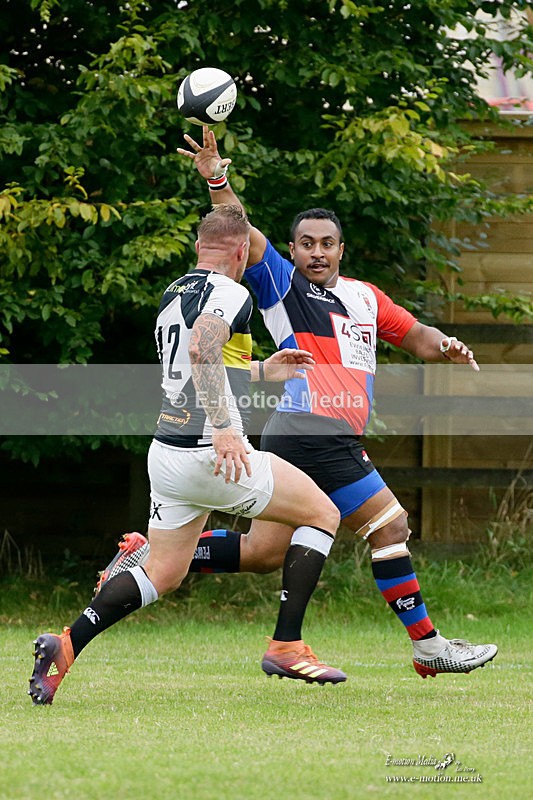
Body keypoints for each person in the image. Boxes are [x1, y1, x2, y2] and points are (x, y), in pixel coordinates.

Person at [98, 128, 498, 679]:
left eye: (326, 243)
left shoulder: (364, 297)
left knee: (263, 553)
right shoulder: (283, 285)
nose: (316, 252)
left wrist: (446, 346)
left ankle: (150, 556)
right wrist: (217, 177)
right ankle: (428, 648)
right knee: (390, 526)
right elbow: (237, 231)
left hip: (311, 435)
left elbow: (417, 335)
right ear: (292, 251)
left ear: (340, 249)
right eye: (305, 243)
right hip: (313, 428)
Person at [28, 204, 347, 706]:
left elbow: (200, 362)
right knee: (323, 513)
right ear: (242, 251)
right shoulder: (231, 291)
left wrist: (263, 371)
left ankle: (65, 646)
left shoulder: (173, 292)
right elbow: (202, 351)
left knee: (163, 572)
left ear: (200, 247)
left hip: (168, 455)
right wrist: (223, 429)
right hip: (210, 453)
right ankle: (286, 644)